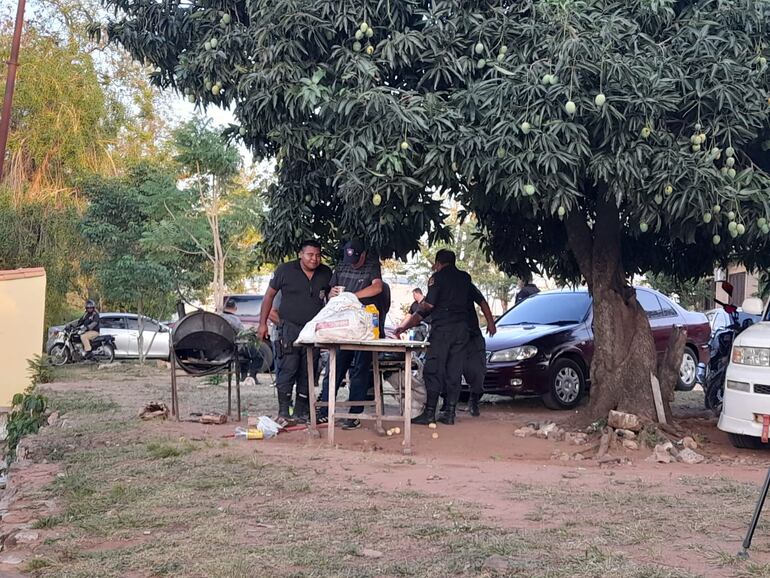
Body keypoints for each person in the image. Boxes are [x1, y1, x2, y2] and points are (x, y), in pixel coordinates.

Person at [395, 249, 472, 425]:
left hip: (443, 330)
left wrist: (405, 325)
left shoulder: (437, 278)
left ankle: (429, 413)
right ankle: (450, 413)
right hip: (462, 330)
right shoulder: (465, 278)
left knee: (434, 369)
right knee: (455, 370)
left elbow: (428, 305)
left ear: (438, 263)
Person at [258, 240, 332, 422]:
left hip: (313, 329)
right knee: (287, 368)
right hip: (288, 328)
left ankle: (301, 412)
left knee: (308, 371)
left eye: (317, 255)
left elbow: (330, 298)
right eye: (310, 255)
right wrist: (263, 324)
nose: (314, 259)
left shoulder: (326, 273)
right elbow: (269, 296)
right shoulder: (285, 270)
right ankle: (284, 411)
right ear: (301, 254)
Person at [318, 238, 383, 429]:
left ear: (362, 254)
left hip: (364, 327)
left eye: (356, 259)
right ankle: (324, 411)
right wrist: (333, 294)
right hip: (342, 327)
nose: (352, 263)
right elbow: (331, 292)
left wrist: (351, 296)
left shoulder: (372, 266)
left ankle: (354, 414)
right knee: (334, 368)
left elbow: (377, 287)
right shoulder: (341, 266)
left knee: (359, 371)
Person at [462, 285, 497, 417]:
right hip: (453, 335)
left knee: (478, 370)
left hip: (472, 335)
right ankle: (448, 405)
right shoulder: (439, 285)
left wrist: (490, 321)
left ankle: (474, 399)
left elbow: (482, 301)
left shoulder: (466, 285)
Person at [222, 298, 260, 388]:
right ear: (235, 309)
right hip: (235, 348)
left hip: (222, 348)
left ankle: (243, 377)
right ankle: (252, 377)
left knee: (245, 352)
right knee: (257, 355)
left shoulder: (219, 317)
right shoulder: (235, 320)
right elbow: (242, 334)